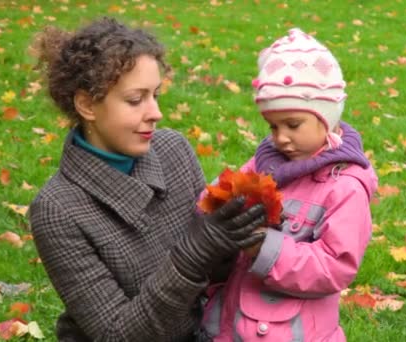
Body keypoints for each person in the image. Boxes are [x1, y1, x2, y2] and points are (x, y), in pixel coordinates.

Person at [28, 17, 268, 341]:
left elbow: (215, 278)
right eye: (135, 99)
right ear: (86, 104)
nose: (155, 112)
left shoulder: (172, 150)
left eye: (155, 94)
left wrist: (238, 236)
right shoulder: (57, 209)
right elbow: (116, 334)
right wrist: (195, 252)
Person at [201, 28, 378, 341]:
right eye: (273, 125)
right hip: (232, 323)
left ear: (327, 117)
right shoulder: (266, 161)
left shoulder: (344, 185)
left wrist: (263, 249)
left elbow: (335, 266)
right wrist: (215, 207)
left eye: (293, 125)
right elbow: (222, 193)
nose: (280, 137)